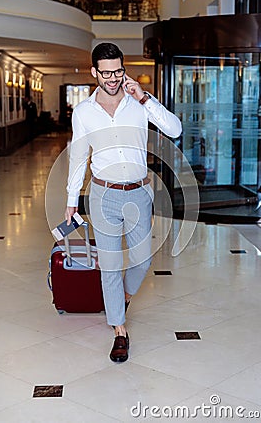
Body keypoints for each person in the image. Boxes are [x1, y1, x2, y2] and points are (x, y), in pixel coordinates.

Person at [65, 42, 182, 363]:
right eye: (106, 73)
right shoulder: (84, 112)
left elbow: (175, 129)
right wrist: (71, 200)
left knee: (143, 259)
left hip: (139, 193)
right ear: (94, 73)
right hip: (103, 194)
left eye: (118, 70)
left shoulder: (139, 102)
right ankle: (119, 329)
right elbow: (78, 156)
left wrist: (144, 97)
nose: (114, 78)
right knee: (111, 265)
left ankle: (123, 297)